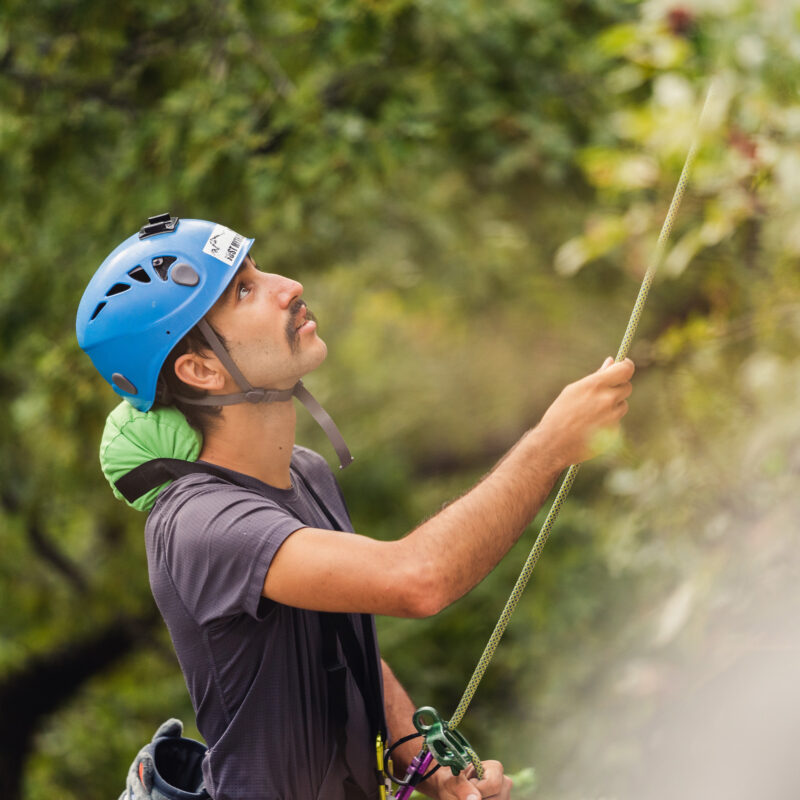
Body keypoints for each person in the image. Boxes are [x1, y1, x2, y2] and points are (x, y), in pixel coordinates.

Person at [76, 214, 635, 800]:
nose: (287, 286)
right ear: (202, 369)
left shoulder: (305, 472)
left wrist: (417, 756)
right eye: (244, 291)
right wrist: (547, 447)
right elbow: (418, 580)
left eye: (257, 270)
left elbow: (341, 629)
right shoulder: (200, 523)